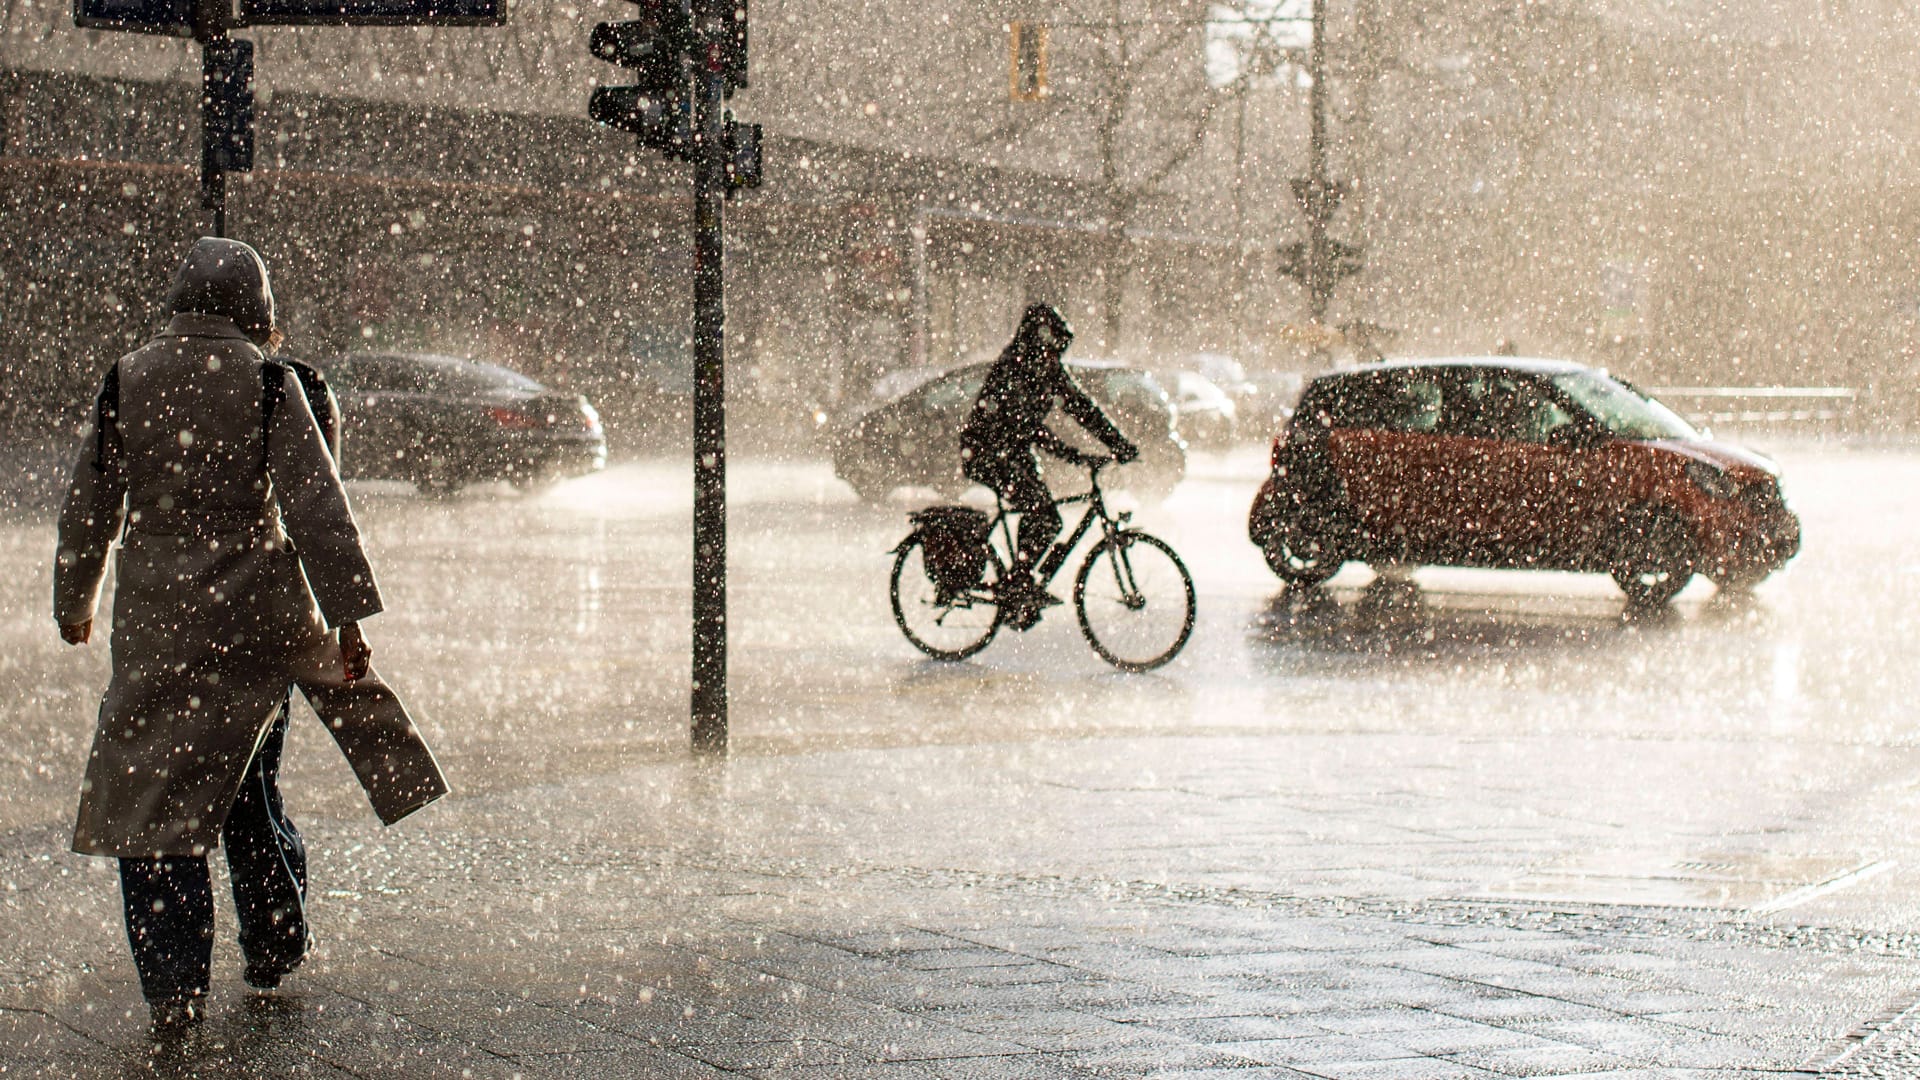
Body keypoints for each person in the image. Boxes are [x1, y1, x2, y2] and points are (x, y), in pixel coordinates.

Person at [53, 238, 448, 1031]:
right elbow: (318, 507)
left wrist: (76, 596)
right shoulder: (270, 382)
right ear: (256, 308)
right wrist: (346, 617)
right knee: (246, 783)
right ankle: (274, 940)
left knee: (152, 804)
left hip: (160, 615)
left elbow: (91, 498)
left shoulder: (127, 379)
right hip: (258, 610)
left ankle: (173, 987)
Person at [959, 304, 1138, 618]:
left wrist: (1118, 443)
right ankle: (1017, 584)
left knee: (1050, 519)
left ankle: (1021, 580)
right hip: (987, 450)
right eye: (1051, 347)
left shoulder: (1048, 369)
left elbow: (1082, 407)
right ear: (1037, 341)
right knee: (1039, 509)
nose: (1055, 356)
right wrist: (1072, 454)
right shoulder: (1013, 367)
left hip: (1012, 449)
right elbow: (1025, 424)